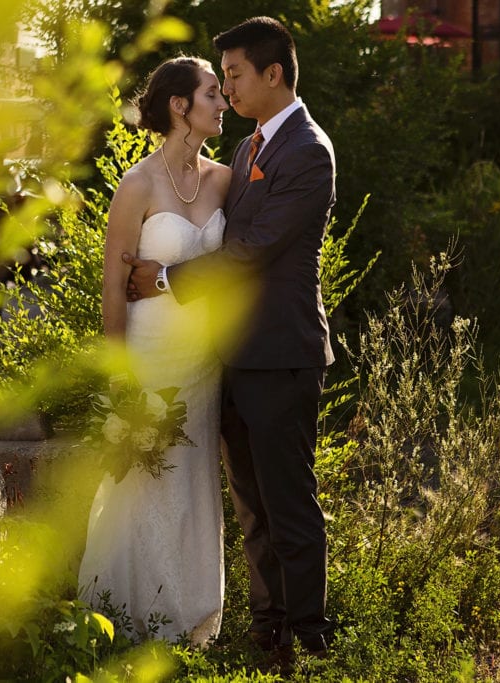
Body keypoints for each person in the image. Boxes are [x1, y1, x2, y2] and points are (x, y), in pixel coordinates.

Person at [124, 17, 337, 663]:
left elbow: (251, 251)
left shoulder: (307, 150)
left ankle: (309, 637)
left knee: (289, 505)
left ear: (274, 74)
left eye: (237, 75)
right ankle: (268, 627)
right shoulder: (248, 150)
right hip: (234, 359)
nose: (231, 89)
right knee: (251, 506)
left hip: (283, 355)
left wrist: (162, 276)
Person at [78, 56, 231, 645]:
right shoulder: (136, 185)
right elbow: (113, 288)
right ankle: (127, 614)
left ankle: (192, 615)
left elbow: (236, 265)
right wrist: (118, 377)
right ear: (180, 107)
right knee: (140, 482)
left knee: (194, 480)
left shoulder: (224, 180)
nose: (222, 103)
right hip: (148, 355)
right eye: (212, 93)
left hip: (203, 362)